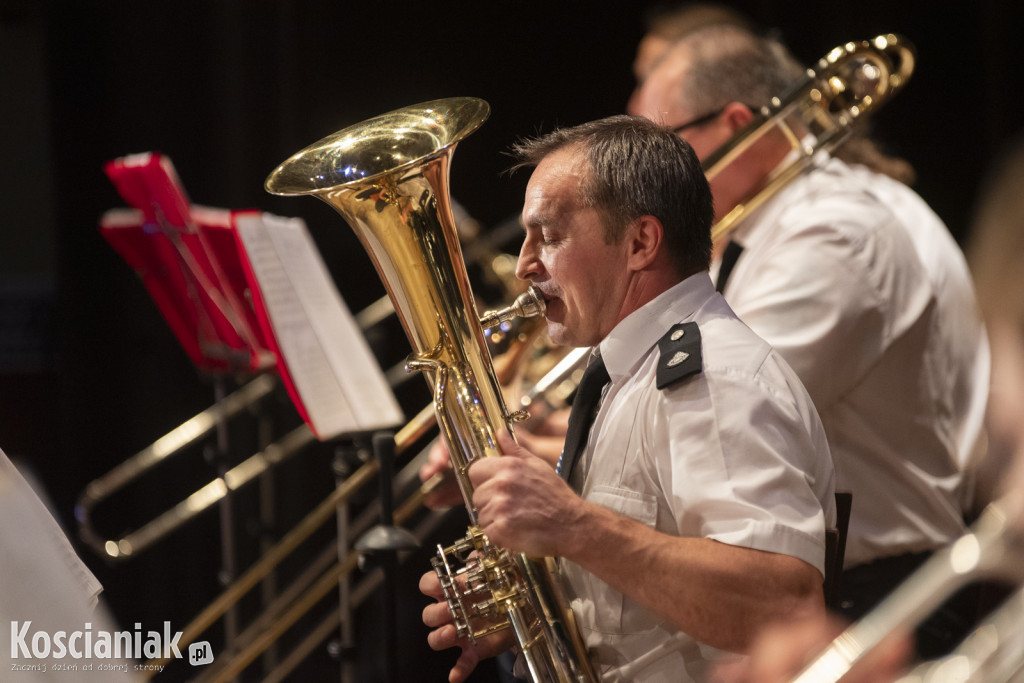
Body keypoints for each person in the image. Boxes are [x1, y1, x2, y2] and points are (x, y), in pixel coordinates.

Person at [420, 114, 836, 682]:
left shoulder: (714, 377)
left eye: (549, 236)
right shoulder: (630, 373)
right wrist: (536, 606)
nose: (523, 265)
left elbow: (781, 608)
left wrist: (573, 525)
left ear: (641, 242)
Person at [630, 24, 991, 657]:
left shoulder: (831, 231)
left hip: (880, 601)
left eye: (662, 147)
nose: (644, 181)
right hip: (839, 590)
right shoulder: (757, 231)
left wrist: (560, 450)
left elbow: (725, 417)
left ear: (737, 122)